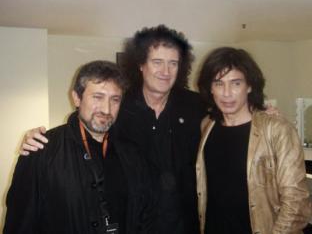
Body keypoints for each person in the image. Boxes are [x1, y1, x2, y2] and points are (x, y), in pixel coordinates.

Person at [18, 25, 207, 234]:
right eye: (157, 62)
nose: (165, 71)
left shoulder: (196, 106)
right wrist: (37, 141)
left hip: (184, 224)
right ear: (141, 64)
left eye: (173, 63)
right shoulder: (120, 106)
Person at [4, 60, 153, 234]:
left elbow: (144, 217)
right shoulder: (41, 150)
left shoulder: (132, 154)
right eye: (98, 97)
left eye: (115, 99)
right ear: (76, 98)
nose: (106, 109)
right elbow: (20, 224)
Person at [196, 47, 312, 234]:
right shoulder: (206, 126)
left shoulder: (277, 130)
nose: (227, 93)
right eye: (218, 83)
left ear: (249, 86)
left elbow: (296, 203)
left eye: (235, 83)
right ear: (210, 88)